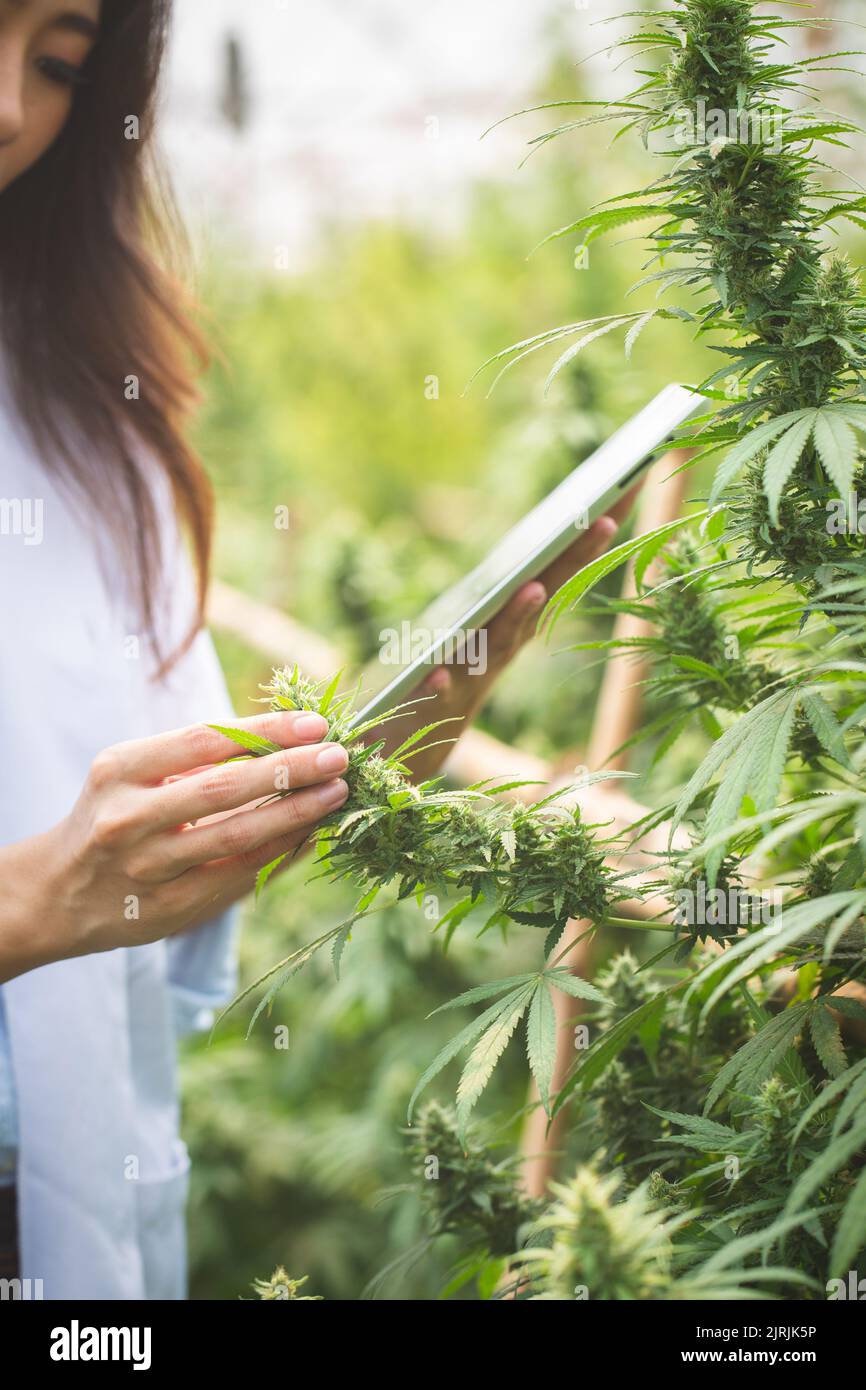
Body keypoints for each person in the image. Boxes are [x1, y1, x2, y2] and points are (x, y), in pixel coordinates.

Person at [0, 0, 629, 1299]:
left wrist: (391, 737)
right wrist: (27, 900)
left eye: (59, 60)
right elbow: (55, 886)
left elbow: (151, 872)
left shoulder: (83, 425)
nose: (13, 104)